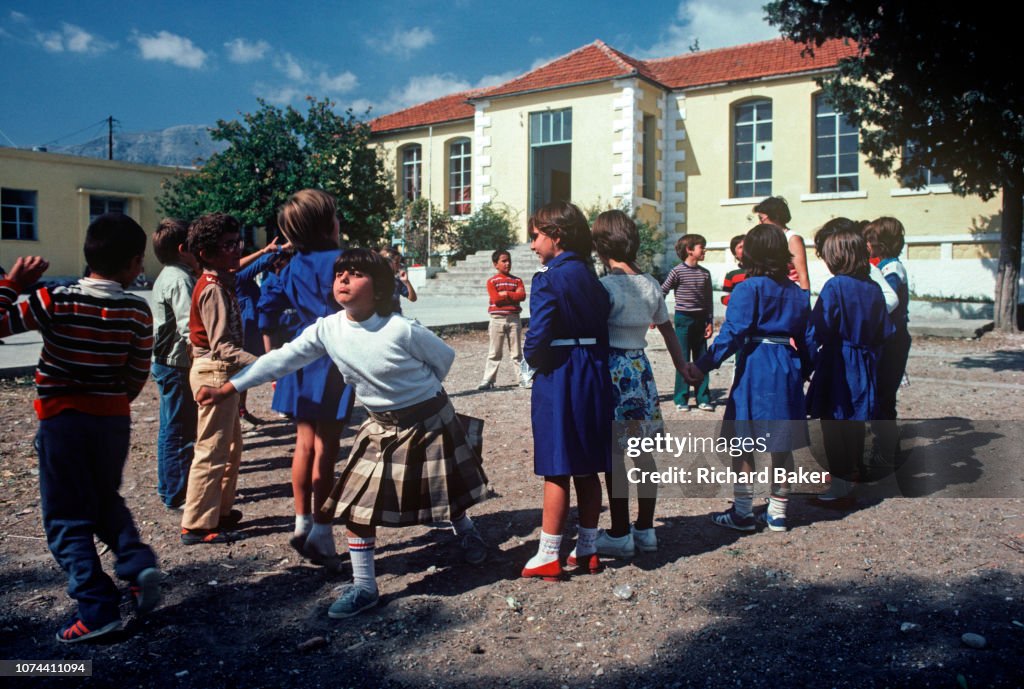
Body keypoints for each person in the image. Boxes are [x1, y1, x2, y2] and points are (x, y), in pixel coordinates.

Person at [197, 248, 489, 618]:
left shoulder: (402, 329)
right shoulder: (328, 329)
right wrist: (229, 388)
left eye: (356, 273)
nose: (344, 280)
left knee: (446, 490)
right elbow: (280, 360)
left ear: (380, 288)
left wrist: (416, 395)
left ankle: (466, 531)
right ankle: (365, 587)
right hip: (380, 426)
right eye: (340, 274)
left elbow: (443, 359)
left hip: (428, 420)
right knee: (356, 505)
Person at [0, 214, 162, 643]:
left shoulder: (54, 300)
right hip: (112, 420)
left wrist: (12, 285)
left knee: (67, 518)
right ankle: (136, 561)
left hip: (62, 422)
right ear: (133, 263)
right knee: (104, 498)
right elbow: (136, 373)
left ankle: (96, 608)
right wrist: (112, 403)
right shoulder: (137, 310)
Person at [683, 224, 812, 533]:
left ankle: (742, 512)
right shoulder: (797, 293)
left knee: (743, 442)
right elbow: (809, 337)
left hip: (756, 365)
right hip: (787, 365)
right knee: (782, 444)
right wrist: (803, 371)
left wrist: (703, 365)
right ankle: (778, 513)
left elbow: (733, 332)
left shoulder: (748, 288)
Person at [257, 190, 355, 562]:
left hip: (299, 356)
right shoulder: (344, 261)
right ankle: (323, 530)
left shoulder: (290, 267)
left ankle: (300, 522)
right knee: (327, 449)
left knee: (303, 446)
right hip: (334, 358)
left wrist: (273, 356)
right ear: (331, 223)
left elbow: (267, 308)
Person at [520, 202, 613, 581]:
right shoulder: (591, 277)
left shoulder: (548, 278)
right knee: (588, 463)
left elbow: (538, 332)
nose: (532, 245)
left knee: (557, 465)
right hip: (592, 367)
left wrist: (531, 359)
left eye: (536, 236)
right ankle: (587, 547)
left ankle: (549, 552)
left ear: (555, 236)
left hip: (559, 371)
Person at [589, 210, 690, 558]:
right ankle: (645, 529)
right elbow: (667, 328)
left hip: (612, 372)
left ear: (600, 246)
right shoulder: (649, 283)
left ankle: (619, 533)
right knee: (643, 455)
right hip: (640, 371)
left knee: (615, 458)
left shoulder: (604, 288)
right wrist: (682, 366)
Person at [805, 219, 893, 508]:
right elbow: (884, 331)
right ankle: (853, 474)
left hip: (838, 360)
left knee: (832, 422)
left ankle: (839, 485)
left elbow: (818, 328)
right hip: (865, 360)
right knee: (855, 422)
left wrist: (806, 362)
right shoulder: (873, 288)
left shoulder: (836, 286)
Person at [181, 213, 256, 545]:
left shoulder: (222, 280)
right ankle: (196, 523)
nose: (236, 250)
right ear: (206, 253)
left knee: (230, 447)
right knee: (212, 449)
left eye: (237, 242)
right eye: (227, 245)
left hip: (222, 371)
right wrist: (267, 363)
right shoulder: (211, 288)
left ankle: (220, 511)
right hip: (214, 371)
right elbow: (222, 346)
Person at [150, 218, 199, 510]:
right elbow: (189, 329)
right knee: (179, 431)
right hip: (176, 364)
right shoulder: (180, 279)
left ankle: (169, 488)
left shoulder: (171, 274)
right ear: (183, 249)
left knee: (172, 427)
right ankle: (176, 494)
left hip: (168, 362)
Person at [863, 216, 912, 470]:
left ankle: (887, 454)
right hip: (886, 338)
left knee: (883, 398)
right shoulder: (885, 265)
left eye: (871, 240)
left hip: (892, 340)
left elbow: (888, 301)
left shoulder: (890, 268)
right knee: (880, 398)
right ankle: (886, 449)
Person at [234, 236, 289, 428]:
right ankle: (238, 413)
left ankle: (241, 410)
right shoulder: (235, 273)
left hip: (250, 323)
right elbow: (257, 265)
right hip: (246, 324)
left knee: (246, 370)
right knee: (243, 369)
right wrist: (279, 249)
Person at [661, 234, 714, 412]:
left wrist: (709, 321)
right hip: (683, 319)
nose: (704, 250)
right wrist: (655, 316)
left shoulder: (705, 273)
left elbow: (708, 300)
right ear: (689, 250)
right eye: (701, 247)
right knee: (682, 358)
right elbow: (662, 291)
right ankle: (681, 399)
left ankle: (703, 398)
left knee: (702, 359)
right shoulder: (677, 271)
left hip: (700, 320)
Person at [477, 249, 527, 390]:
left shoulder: (517, 280)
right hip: (497, 319)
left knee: (517, 352)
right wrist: (512, 295)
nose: (507, 263)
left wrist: (505, 293)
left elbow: (522, 296)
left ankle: (523, 378)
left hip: (514, 319)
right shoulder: (492, 281)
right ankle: (488, 380)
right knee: (494, 352)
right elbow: (496, 299)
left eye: (509, 260)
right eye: (503, 261)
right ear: (495, 264)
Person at [754, 196, 810, 291]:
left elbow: (803, 276)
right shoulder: (767, 239)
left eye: (761, 218)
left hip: (790, 292)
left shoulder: (792, 238)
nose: (759, 223)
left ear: (775, 216)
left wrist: (805, 301)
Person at [380, 247, 417, 315]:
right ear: (386, 263)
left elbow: (413, 298)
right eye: (396, 263)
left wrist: (406, 282)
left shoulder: (397, 282)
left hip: (396, 318)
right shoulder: (374, 281)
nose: (399, 266)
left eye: (399, 262)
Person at [721, 234, 748, 307]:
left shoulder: (760, 269)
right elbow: (724, 297)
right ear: (735, 254)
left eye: (747, 245)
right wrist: (738, 299)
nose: (745, 249)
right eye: (740, 247)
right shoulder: (731, 273)